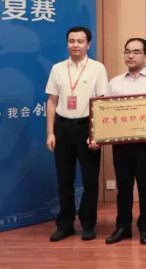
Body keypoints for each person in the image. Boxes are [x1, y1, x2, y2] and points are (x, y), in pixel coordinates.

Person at [101, 38, 146, 245]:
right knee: (123, 186)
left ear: (145, 56)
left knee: (145, 184)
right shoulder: (114, 83)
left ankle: (145, 225)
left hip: (144, 143)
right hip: (121, 143)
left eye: (136, 52)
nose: (130, 56)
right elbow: (105, 111)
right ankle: (123, 226)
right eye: (127, 51)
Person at [45, 26, 108, 242]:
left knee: (90, 179)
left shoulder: (98, 69)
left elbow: (102, 103)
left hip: (87, 127)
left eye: (80, 41)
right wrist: (50, 132)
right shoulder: (58, 68)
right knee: (64, 178)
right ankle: (65, 224)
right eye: (71, 41)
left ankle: (88, 223)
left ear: (88, 44)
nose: (75, 45)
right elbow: (52, 101)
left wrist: (97, 134)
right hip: (63, 127)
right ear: (67, 44)